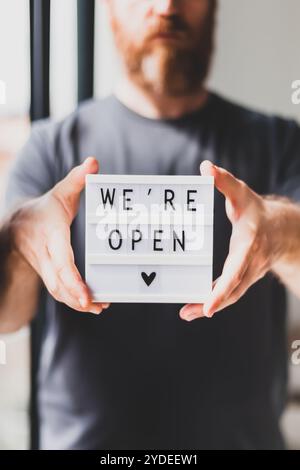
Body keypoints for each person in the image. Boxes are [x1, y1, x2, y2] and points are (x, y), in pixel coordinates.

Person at [1, 0, 300, 450]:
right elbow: (6, 314)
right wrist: (22, 239)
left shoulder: (281, 142)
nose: (165, 6)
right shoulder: (49, 147)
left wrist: (281, 234)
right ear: (108, 8)